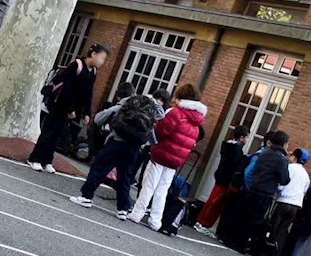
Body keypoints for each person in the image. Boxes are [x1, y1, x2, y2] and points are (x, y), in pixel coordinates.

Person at [129, 83, 208, 231]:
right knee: (162, 189)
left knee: (149, 184)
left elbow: (160, 131)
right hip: (176, 159)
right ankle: (156, 220)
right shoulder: (197, 120)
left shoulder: (175, 112)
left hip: (161, 153)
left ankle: (137, 213)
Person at [69, 91, 158, 220]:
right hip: (133, 148)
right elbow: (153, 138)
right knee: (125, 178)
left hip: (116, 141)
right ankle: (122, 209)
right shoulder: (149, 115)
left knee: (98, 169)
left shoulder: (124, 106)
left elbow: (99, 119)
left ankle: (86, 196)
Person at [29, 44, 108, 174]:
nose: (102, 62)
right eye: (102, 58)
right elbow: (67, 88)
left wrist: (87, 112)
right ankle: (35, 158)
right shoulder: (76, 65)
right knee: (48, 132)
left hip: (69, 109)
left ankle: (47, 160)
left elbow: (88, 93)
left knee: (57, 134)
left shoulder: (93, 71)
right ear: (93, 54)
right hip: (57, 104)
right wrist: (71, 108)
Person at [238, 130, 291, 256]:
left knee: (246, 216)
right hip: (266, 192)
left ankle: (238, 241)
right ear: (284, 144)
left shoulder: (264, 153)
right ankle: (250, 246)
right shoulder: (281, 159)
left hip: (254, 188)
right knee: (258, 219)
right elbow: (284, 179)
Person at [193, 125, 249, 236]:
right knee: (216, 203)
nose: (247, 140)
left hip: (220, 176)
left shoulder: (227, 145)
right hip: (227, 179)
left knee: (211, 199)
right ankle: (205, 223)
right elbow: (234, 166)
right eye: (246, 137)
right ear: (242, 137)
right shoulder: (237, 150)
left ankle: (200, 221)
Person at [264, 147, 310, 256]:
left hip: (284, 201)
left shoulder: (289, 167)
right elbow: (304, 190)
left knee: (273, 226)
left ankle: (266, 251)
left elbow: (281, 183)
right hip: (296, 205)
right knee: (283, 230)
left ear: (295, 157)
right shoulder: (306, 175)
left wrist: (279, 191)